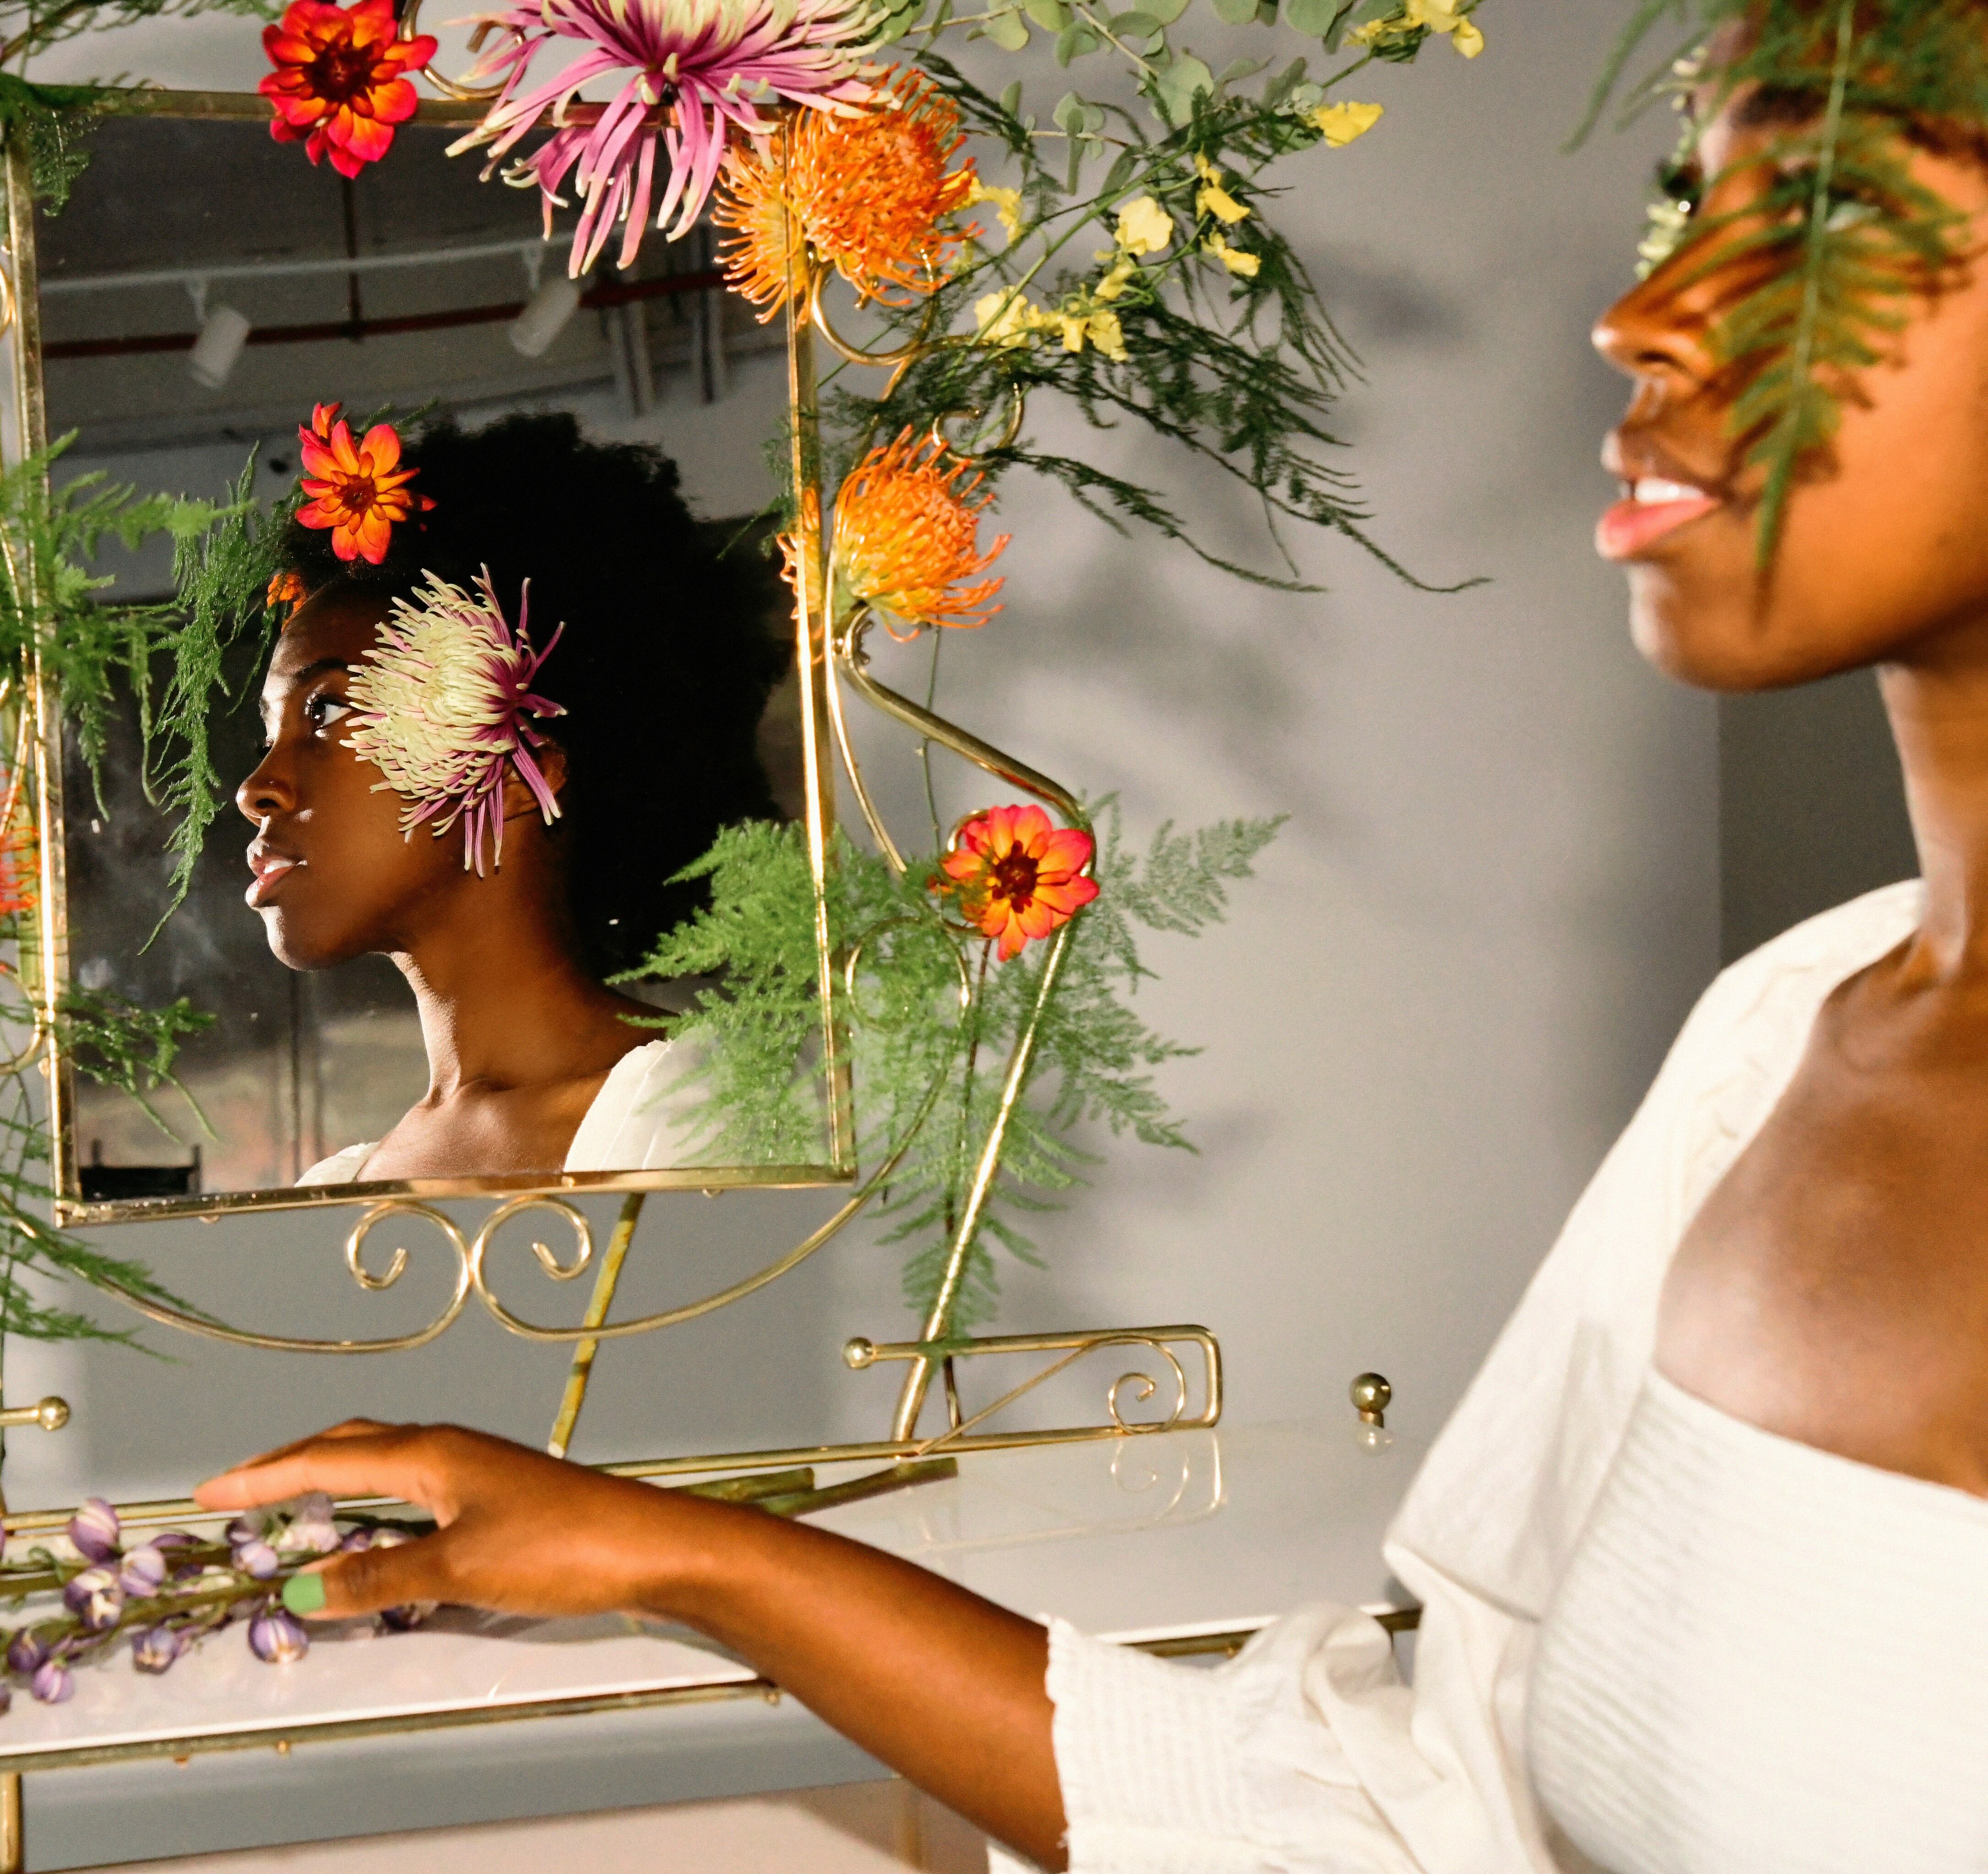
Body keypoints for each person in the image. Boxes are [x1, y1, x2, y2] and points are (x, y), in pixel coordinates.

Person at [200, 47, 1988, 1874]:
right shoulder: (1765, 1048)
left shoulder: (680, 1108)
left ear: (527, 741)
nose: (1634, 315)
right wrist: (675, 1548)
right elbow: (1414, 1805)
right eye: (1686, 207)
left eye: (1828, 215)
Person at [236, 412, 791, 1183]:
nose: (256, 789)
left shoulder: (706, 1116)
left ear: (523, 757)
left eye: (326, 711)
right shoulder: (333, 1190)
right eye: (271, 730)